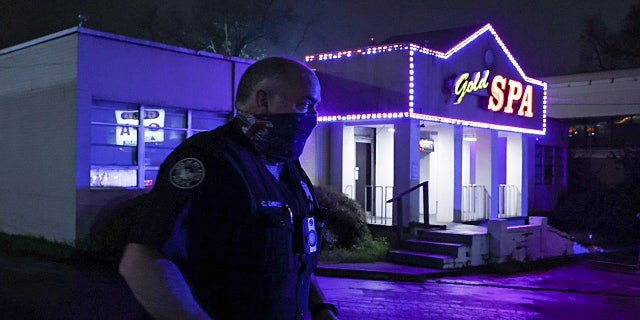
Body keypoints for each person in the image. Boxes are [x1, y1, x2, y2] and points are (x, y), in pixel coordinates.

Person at [118, 57, 339, 320]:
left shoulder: (289, 169)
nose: (312, 117)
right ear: (263, 101)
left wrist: (320, 308)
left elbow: (293, 259)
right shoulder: (209, 160)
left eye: (315, 107)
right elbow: (141, 261)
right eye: (304, 104)